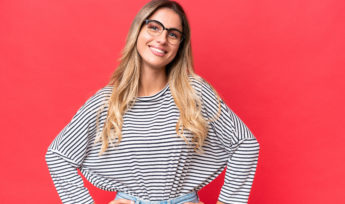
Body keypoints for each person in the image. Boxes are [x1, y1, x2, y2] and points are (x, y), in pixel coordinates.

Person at [45, 0, 260, 203]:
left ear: (179, 46)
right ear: (138, 30)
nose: (162, 39)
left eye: (173, 34)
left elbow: (245, 144)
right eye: (154, 27)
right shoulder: (107, 102)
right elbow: (58, 156)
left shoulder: (194, 92)